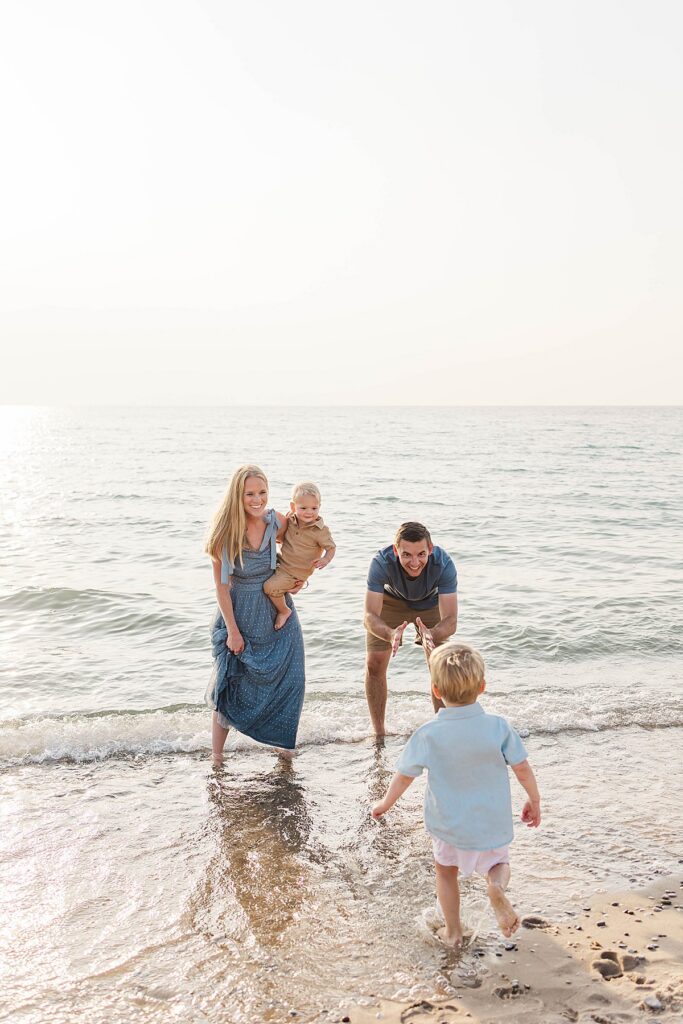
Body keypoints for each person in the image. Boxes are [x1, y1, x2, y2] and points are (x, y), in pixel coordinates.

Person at [371, 642, 541, 947]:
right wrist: (534, 800)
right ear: (483, 687)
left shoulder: (428, 734)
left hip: (448, 825)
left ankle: (453, 932)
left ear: (436, 691)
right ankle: (496, 888)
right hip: (491, 822)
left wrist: (385, 804)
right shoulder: (498, 728)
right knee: (498, 865)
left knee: (446, 873)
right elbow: (523, 768)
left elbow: (405, 776)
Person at [204, 465, 306, 760]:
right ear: (238, 495)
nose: (257, 499)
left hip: (277, 608)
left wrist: (298, 579)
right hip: (241, 611)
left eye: (262, 492)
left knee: (292, 680)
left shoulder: (276, 521)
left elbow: (299, 549)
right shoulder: (225, 532)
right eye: (250, 494)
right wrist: (233, 632)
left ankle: (284, 749)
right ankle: (217, 759)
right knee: (230, 683)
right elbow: (222, 588)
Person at [364, 522, 458, 735]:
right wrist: (389, 633)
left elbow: (451, 620)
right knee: (374, 663)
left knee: (439, 664)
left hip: (429, 604)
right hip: (391, 602)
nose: (415, 562)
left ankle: (442, 729)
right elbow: (370, 616)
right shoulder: (381, 562)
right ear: (396, 551)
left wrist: (431, 634)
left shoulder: (443, 564)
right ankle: (379, 732)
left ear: (430, 550)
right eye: (406, 555)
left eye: (421, 554)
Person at [263, 482, 336, 630]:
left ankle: (284, 611)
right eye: (303, 508)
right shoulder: (290, 519)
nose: (309, 512)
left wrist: (326, 559)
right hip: (282, 561)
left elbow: (331, 547)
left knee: (269, 587)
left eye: (314, 508)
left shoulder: (320, 531)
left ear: (319, 507)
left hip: (295, 573)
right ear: (292, 507)